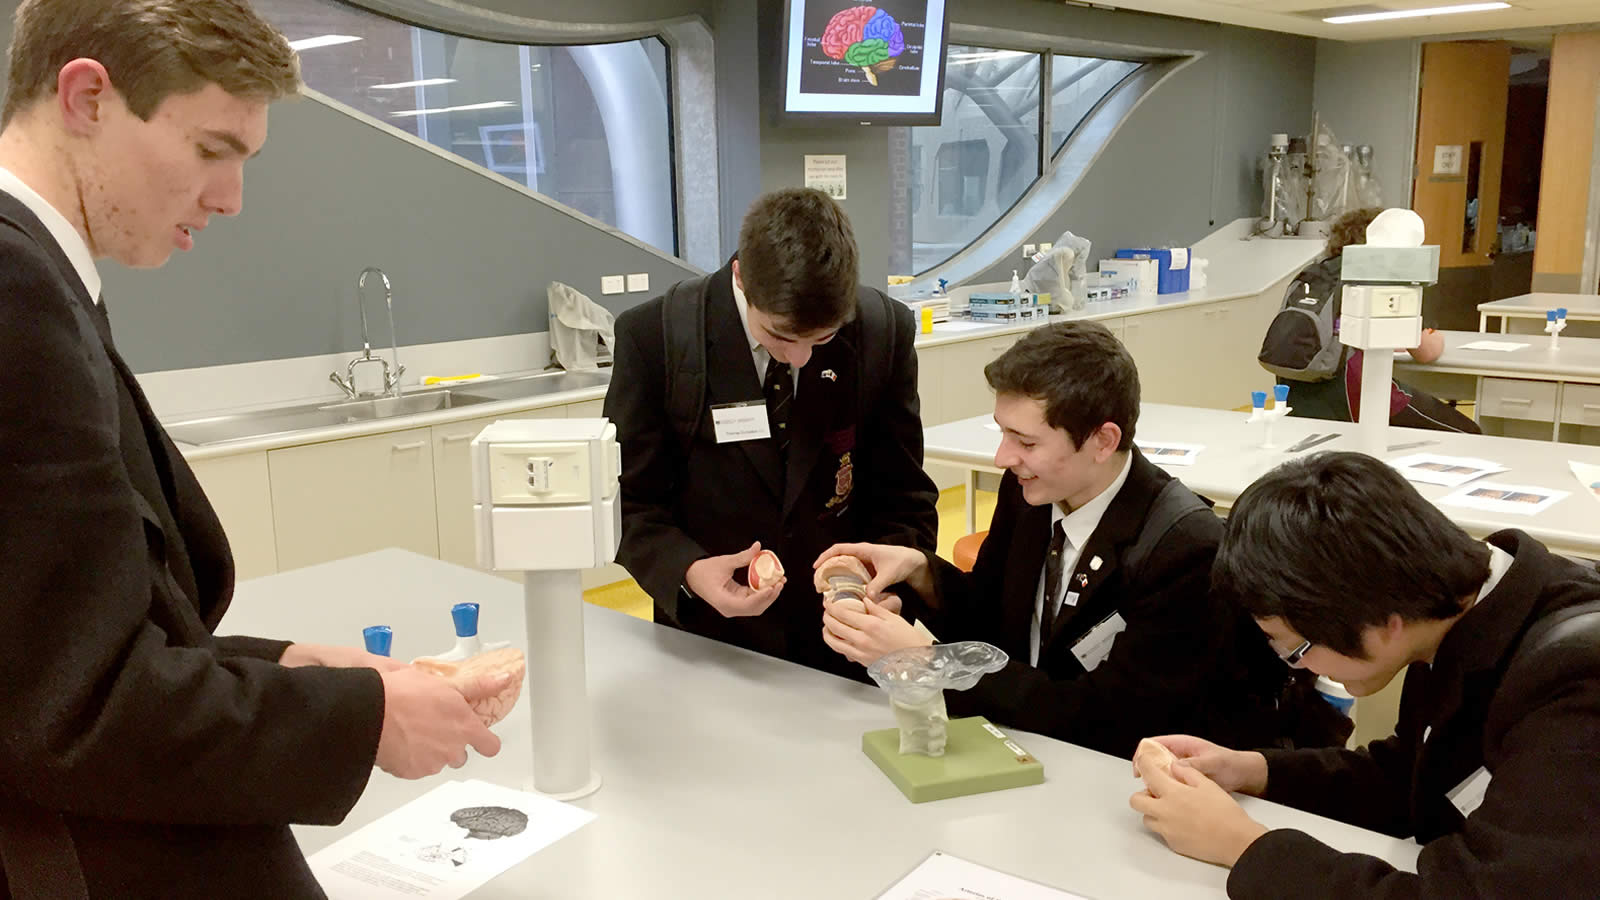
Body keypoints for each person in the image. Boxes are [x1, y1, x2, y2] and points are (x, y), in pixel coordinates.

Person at [0, 2, 510, 895]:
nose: (231, 198)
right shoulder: (16, 292)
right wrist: (361, 719)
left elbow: (67, 638)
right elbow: (74, 711)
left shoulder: (45, 277)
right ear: (86, 96)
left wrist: (290, 665)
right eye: (209, 151)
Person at [815, 322, 1347, 757]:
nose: (1003, 457)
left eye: (1024, 440)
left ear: (1103, 440)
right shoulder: (1031, 493)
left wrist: (934, 664)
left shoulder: (1185, 551)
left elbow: (1106, 722)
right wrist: (919, 570)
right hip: (1026, 749)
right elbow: (995, 625)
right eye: (1002, 432)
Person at [1131, 452, 1600, 898]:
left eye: (1297, 649)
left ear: (1382, 621)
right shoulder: (1458, 610)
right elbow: (1413, 778)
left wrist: (1244, 846)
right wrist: (1254, 770)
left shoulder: (1573, 691)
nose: (1300, 666)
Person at [605, 187, 938, 680]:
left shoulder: (881, 331)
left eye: (822, 338)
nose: (800, 357)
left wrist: (894, 590)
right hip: (710, 640)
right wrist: (689, 572)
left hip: (846, 644)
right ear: (741, 277)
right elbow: (629, 504)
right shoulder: (656, 338)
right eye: (781, 336)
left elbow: (904, 495)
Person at [1272, 206, 1480, 433]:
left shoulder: (1315, 273)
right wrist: (1434, 339)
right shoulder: (1377, 276)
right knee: (1467, 433)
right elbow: (1425, 351)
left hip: (1297, 390)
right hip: (1355, 390)